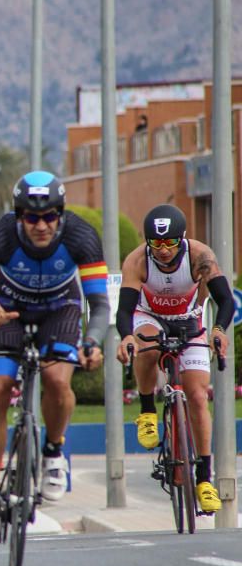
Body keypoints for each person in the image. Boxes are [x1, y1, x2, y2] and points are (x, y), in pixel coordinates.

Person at [0, 171, 108, 539]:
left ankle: (53, 453)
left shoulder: (82, 236)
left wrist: (92, 341)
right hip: (7, 311)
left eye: (49, 216)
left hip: (60, 310)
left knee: (58, 380)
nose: (41, 225)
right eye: (31, 217)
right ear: (19, 216)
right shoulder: (0, 237)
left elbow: (100, 304)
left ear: (60, 214)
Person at [115, 204, 233, 513]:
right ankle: (146, 411)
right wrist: (127, 336)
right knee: (147, 345)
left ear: (182, 239)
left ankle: (204, 478)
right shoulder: (137, 260)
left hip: (189, 320)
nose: (163, 249)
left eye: (170, 243)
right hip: (149, 316)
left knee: (196, 395)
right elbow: (125, 309)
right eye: (156, 243)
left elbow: (225, 301)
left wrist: (219, 330)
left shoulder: (200, 256)